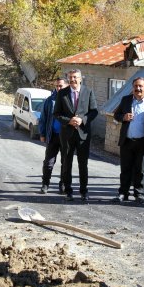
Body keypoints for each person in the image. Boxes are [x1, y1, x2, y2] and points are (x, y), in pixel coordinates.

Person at [53, 69, 99, 201]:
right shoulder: (62, 93)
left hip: (83, 134)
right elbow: (56, 114)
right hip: (67, 134)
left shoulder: (88, 92)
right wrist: (69, 121)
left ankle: (84, 191)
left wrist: (82, 119)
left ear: (80, 79)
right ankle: (68, 191)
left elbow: (94, 111)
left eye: (75, 77)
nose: (72, 79)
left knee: (83, 164)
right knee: (67, 163)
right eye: (70, 77)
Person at [112, 77, 144, 204]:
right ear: (133, 87)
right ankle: (123, 193)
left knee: (140, 170)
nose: (138, 89)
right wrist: (123, 117)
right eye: (136, 86)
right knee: (125, 169)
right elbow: (116, 115)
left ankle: (139, 194)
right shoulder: (126, 100)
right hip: (127, 141)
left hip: (143, 142)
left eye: (140, 86)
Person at [38, 78, 69, 194]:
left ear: (66, 86)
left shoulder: (70, 100)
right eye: (56, 86)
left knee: (65, 163)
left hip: (66, 137)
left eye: (60, 86)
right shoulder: (50, 100)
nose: (58, 88)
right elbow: (43, 118)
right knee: (48, 162)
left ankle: (63, 184)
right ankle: (45, 184)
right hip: (53, 136)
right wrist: (42, 133)